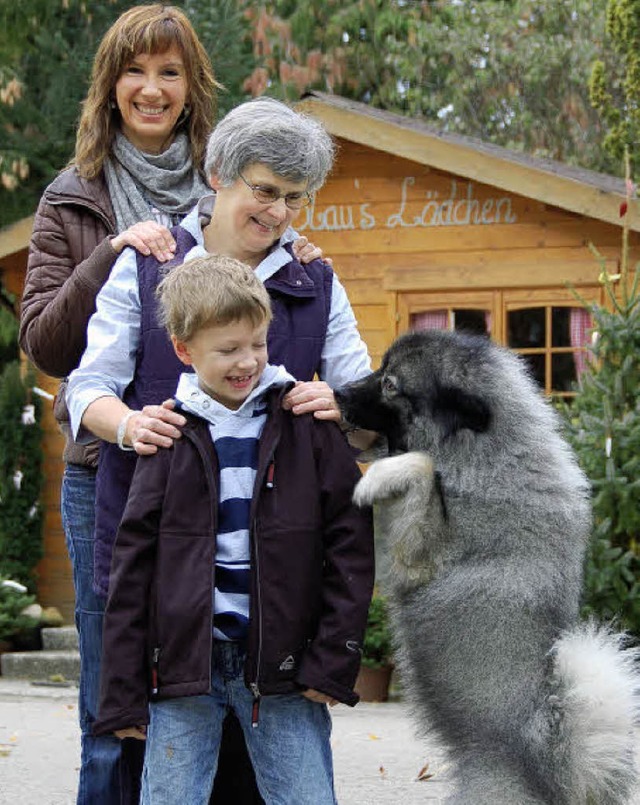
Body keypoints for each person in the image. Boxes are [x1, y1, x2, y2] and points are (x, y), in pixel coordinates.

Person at [18, 8, 324, 804]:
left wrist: (290, 248)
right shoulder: (72, 197)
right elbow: (50, 349)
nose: (151, 89)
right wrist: (112, 254)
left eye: (170, 73)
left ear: (193, 91)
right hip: (109, 469)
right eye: (134, 71)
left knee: (208, 699)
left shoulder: (226, 183)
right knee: (118, 699)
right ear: (109, 85)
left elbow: (275, 289)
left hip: (219, 473)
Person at [91, 254, 375, 805]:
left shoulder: (306, 424)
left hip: (286, 671)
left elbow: (351, 546)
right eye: (227, 350)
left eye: (258, 345)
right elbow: (133, 567)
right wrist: (123, 690)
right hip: (179, 672)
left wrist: (335, 659)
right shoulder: (167, 434)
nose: (248, 361)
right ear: (184, 349)